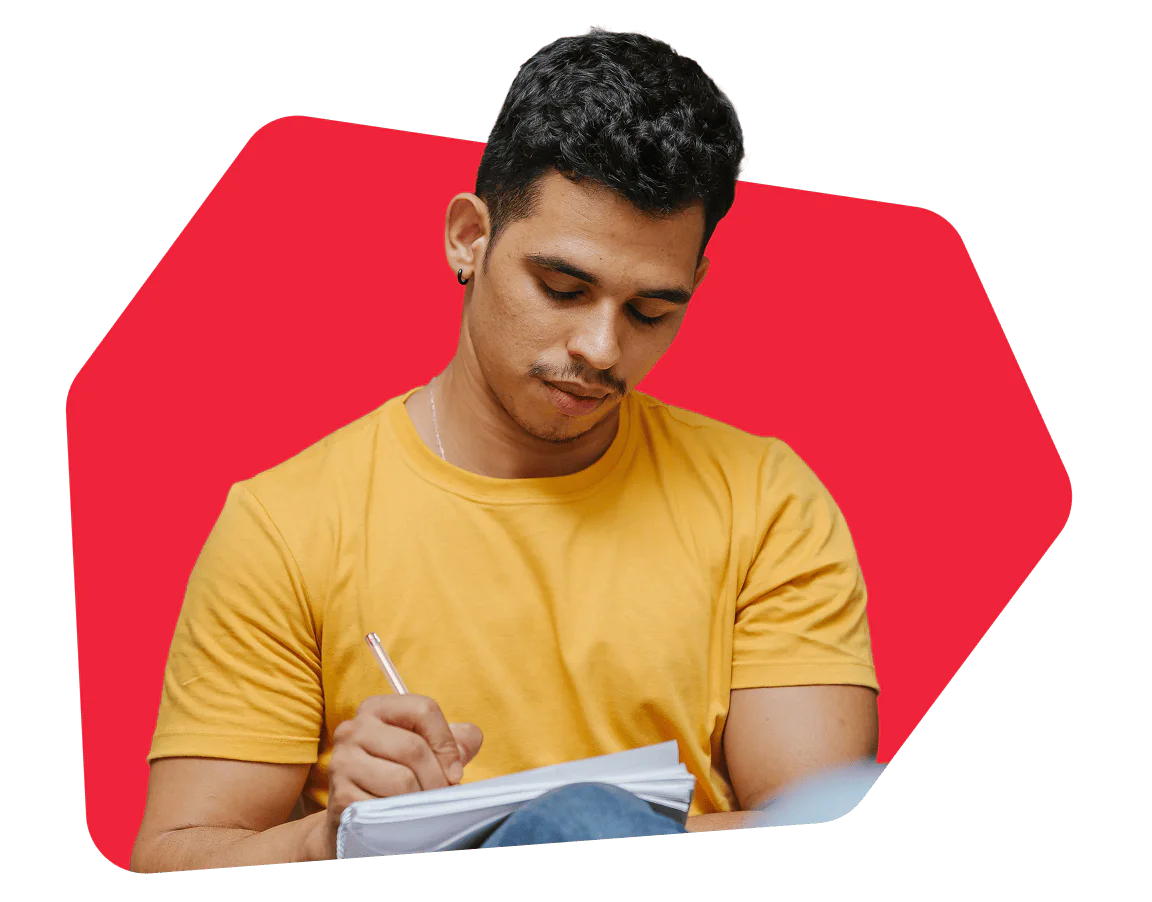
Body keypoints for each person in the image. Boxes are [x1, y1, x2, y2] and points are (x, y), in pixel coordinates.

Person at [130, 25, 879, 872]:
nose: (601, 347)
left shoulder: (765, 503)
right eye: (564, 288)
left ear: (695, 286)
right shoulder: (290, 524)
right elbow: (171, 863)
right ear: (468, 238)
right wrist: (334, 836)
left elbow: (827, 841)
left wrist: (564, 836)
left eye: (650, 311)